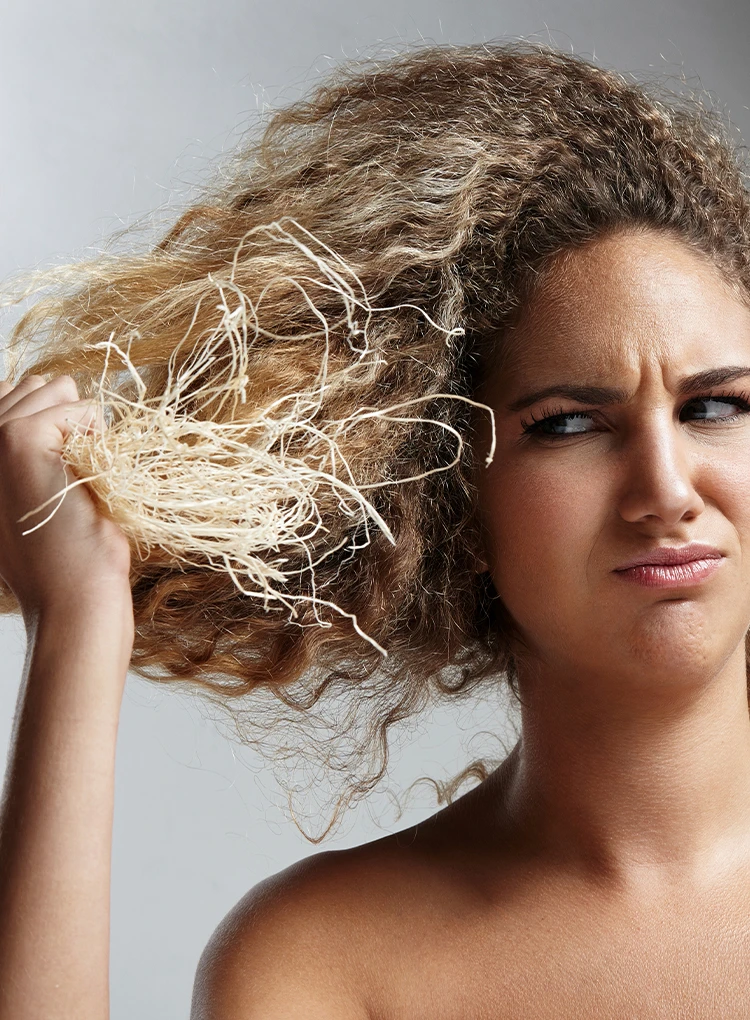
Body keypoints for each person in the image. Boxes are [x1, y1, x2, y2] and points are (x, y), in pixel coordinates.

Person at [2, 39, 750, 1018]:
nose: (666, 488)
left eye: (716, 408)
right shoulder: (326, 965)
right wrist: (78, 617)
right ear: (449, 499)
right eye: (568, 425)